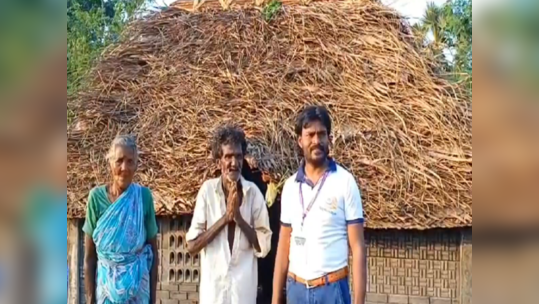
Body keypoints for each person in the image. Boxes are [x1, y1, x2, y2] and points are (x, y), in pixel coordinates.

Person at [271, 105, 367, 304]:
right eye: (310, 135)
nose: (316, 141)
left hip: (331, 290)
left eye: (322, 134)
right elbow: (283, 247)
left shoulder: (345, 182)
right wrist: (276, 298)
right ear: (300, 140)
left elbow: (357, 248)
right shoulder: (290, 187)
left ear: (329, 139)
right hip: (296, 289)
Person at [186, 125, 272, 304]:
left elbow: (264, 246)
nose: (234, 163)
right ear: (219, 162)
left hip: (243, 294)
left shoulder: (254, 193)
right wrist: (225, 218)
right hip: (214, 295)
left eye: (238, 156)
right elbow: (192, 245)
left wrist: (239, 219)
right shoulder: (207, 192)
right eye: (228, 157)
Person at [83, 135, 159, 304]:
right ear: (110, 163)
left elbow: (153, 252)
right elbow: (89, 257)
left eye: (130, 161)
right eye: (119, 161)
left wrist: (153, 300)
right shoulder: (96, 198)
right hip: (106, 293)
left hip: (138, 291)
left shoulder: (143, 198)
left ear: (136, 165)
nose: (124, 167)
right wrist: (90, 300)